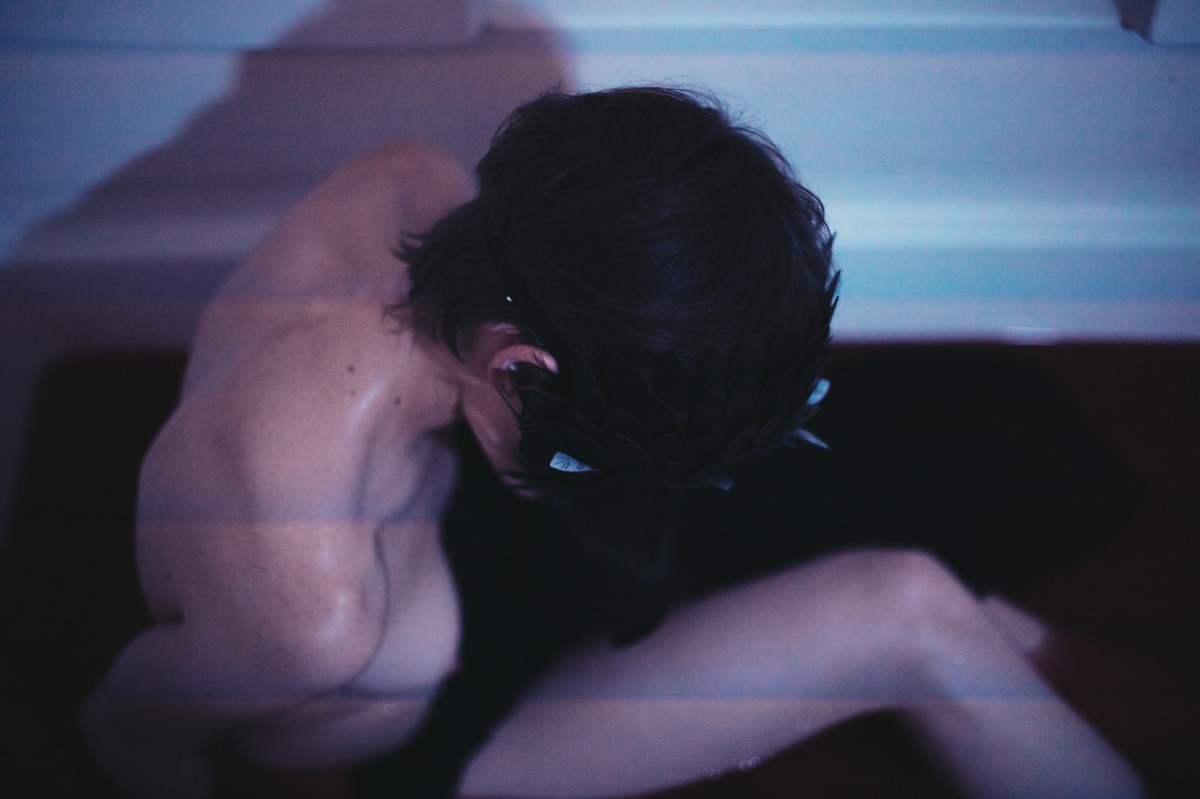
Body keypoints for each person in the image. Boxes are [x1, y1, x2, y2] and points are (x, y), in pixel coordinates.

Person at [82, 86, 1142, 798]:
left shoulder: (417, 189)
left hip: (477, 524)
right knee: (909, 609)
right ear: (520, 374)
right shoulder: (303, 609)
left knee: (880, 486)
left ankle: (1069, 669)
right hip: (458, 714)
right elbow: (122, 730)